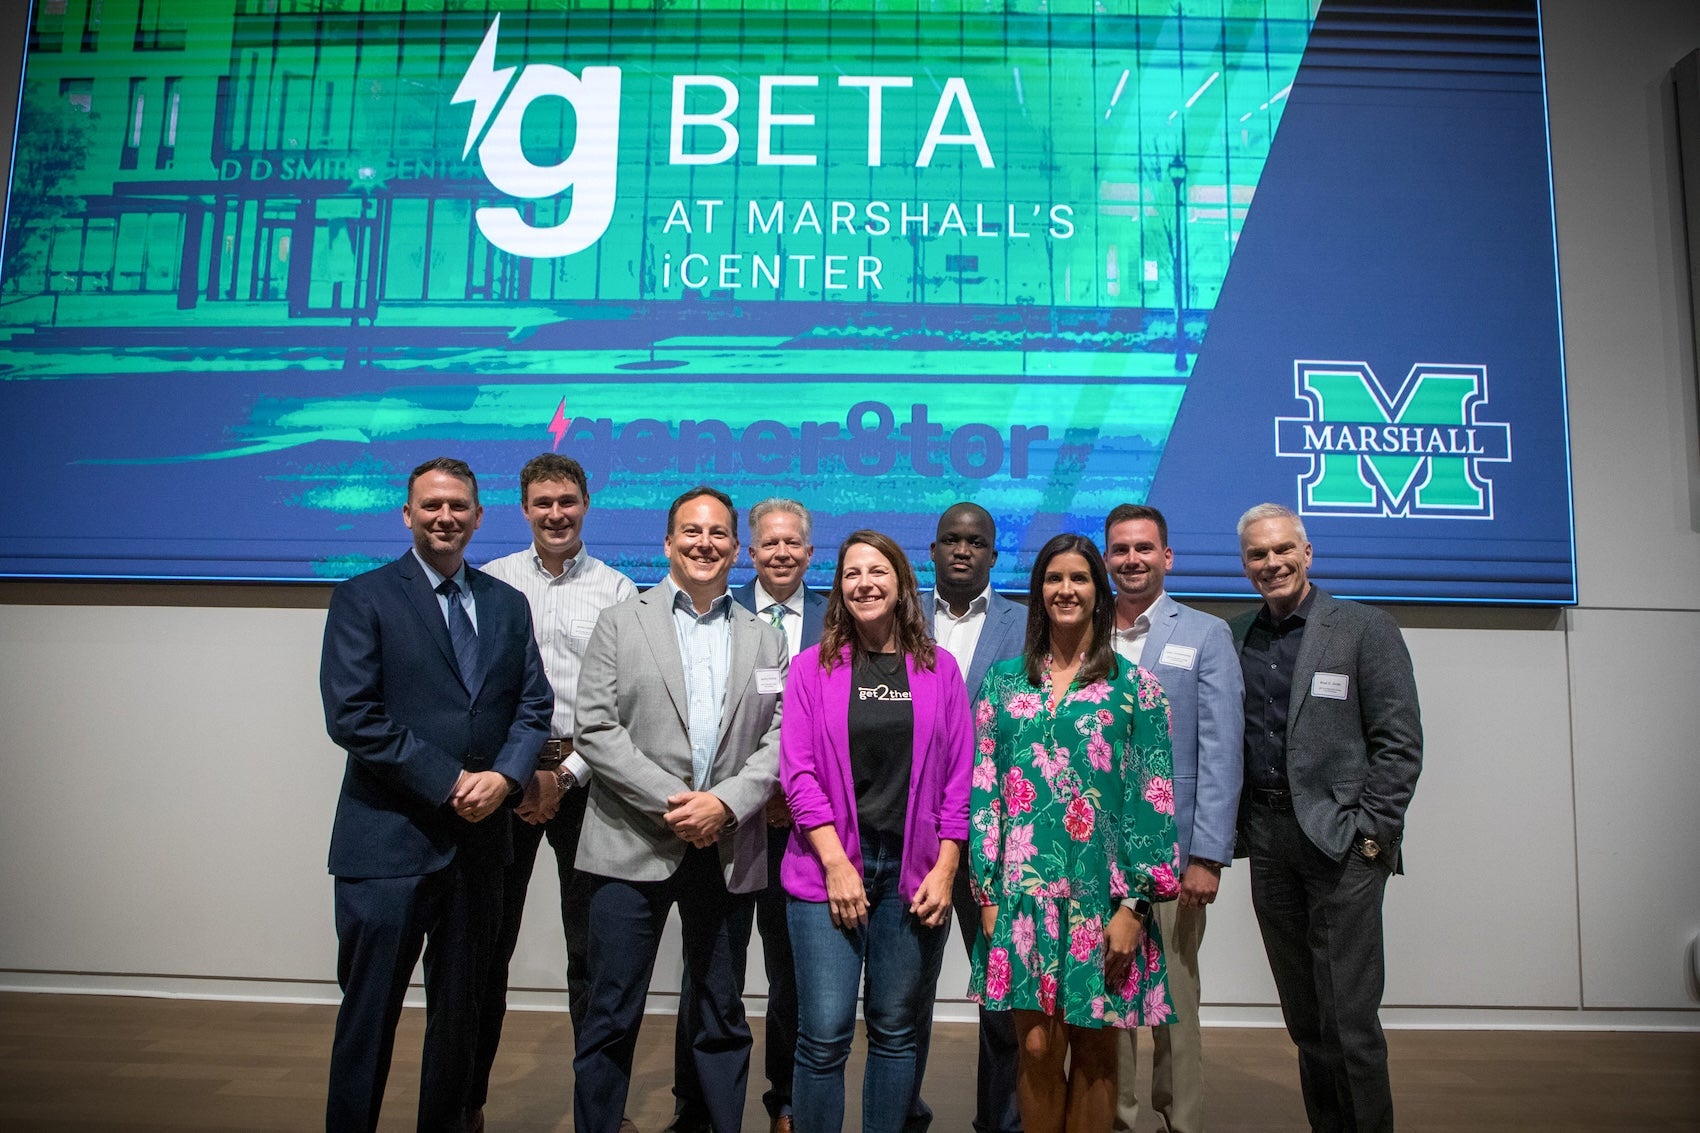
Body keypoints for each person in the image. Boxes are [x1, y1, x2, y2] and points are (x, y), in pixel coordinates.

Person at [319, 456, 553, 1133]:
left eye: (458, 506)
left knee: (462, 1014)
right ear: (408, 514)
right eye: (431, 506)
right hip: (387, 844)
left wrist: (506, 777)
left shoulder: (507, 604)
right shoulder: (362, 598)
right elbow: (354, 716)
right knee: (369, 1016)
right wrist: (450, 780)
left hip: (479, 849)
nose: (445, 516)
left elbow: (532, 706)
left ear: (479, 516)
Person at [571, 486, 785, 1133]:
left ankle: (707, 1124)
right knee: (611, 1011)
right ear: (667, 543)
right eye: (691, 531)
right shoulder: (620, 619)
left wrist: (723, 803)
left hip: (724, 849)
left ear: (736, 548)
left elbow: (779, 738)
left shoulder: (764, 639)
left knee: (720, 1009)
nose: (704, 543)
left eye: (718, 533)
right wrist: (677, 805)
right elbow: (596, 728)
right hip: (626, 843)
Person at [968, 534, 1180, 1133]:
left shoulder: (1136, 689)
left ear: (1099, 592)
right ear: (1039, 592)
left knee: (1093, 1054)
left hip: (1103, 901)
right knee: (1034, 1049)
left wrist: (1135, 906)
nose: (1066, 590)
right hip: (1020, 899)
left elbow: (1153, 801)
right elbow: (984, 790)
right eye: (1054, 579)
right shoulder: (1003, 684)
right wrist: (986, 895)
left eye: (1080, 579)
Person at [1230, 504, 1422, 1133]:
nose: (1272, 563)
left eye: (1283, 549)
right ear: (1245, 564)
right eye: (1258, 554)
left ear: (1308, 553)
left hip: (1341, 845)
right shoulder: (1237, 636)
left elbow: (1399, 744)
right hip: (1267, 842)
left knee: (1350, 1024)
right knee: (1307, 1021)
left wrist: (1371, 838)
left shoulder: (1364, 629)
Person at [779, 530, 973, 1133]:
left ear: (901, 582)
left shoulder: (939, 669)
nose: (865, 583)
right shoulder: (813, 668)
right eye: (852, 574)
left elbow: (960, 777)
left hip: (912, 877)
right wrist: (837, 864)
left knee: (894, 1030)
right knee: (825, 1032)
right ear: (839, 588)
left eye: (877, 571)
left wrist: (945, 869)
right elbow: (799, 773)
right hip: (827, 871)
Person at [469, 453, 635, 1132]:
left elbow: (624, 704)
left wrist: (564, 776)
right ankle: (464, 1102)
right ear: (523, 507)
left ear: (587, 503)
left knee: (591, 956)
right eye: (542, 502)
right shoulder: (493, 582)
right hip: (501, 782)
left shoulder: (620, 590)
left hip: (588, 781)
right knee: (482, 948)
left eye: (567, 500)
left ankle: (598, 1112)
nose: (556, 513)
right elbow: (474, 695)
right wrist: (518, 774)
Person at [671, 497, 825, 1133]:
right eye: (770, 543)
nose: (782, 553)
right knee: (712, 968)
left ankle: (784, 1099)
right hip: (733, 822)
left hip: (806, 829)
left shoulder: (839, 615)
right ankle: (697, 1105)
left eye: (794, 544)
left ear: (810, 554)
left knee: (792, 973)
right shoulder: (721, 615)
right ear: (749, 552)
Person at [1103, 505, 1244, 1133]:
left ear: (1167, 557)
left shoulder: (1207, 634)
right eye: (1119, 549)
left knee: (1175, 1001)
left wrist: (1207, 855)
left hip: (1174, 851)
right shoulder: (1082, 631)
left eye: (1143, 548)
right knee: (1107, 1000)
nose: (1131, 559)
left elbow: (1221, 749)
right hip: (1094, 852)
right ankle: (1117, 1119)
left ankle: (1180, 1121)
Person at [912, 501, 1027, 1133]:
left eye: (975, 541)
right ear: (931, 550)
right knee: (903, 996)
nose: (962, 550)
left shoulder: (1027, 624)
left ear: (992, 553)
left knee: (1002, 1000)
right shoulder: (896, 617)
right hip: (910, 836)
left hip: (998, 839)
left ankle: (1000, 1124)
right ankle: (902, 1113)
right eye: (951, 540)